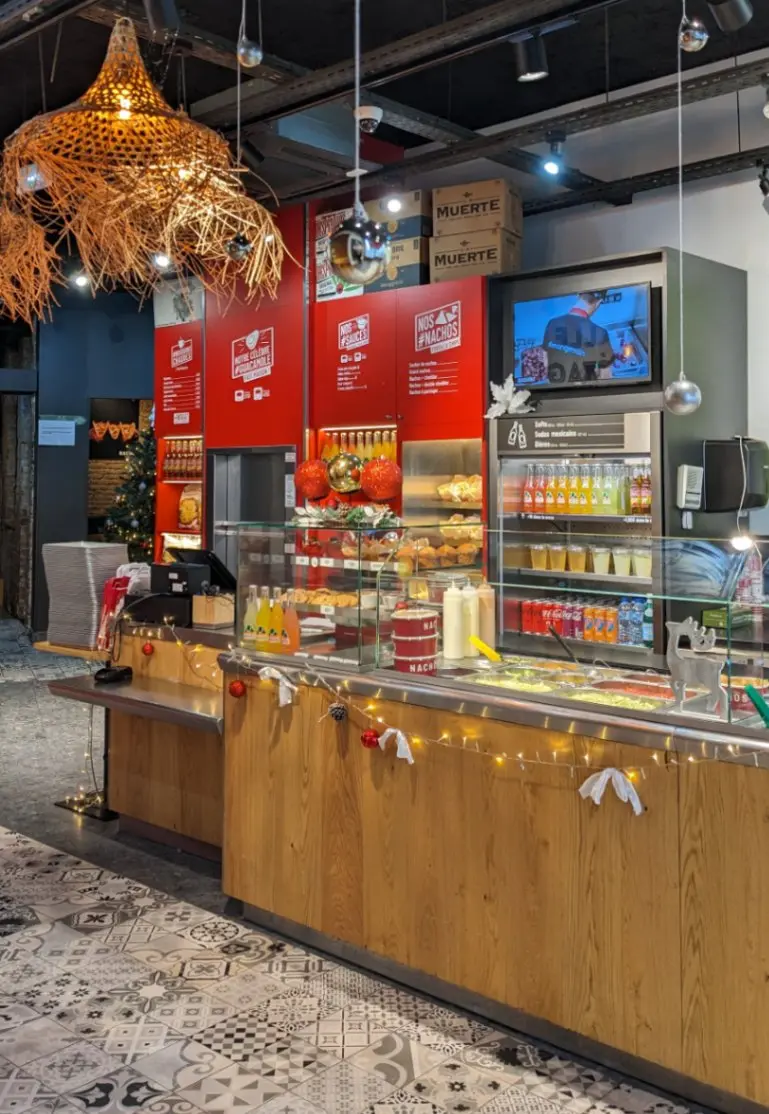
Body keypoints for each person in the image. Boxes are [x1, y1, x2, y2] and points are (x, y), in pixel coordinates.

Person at [541, 291, 615, 383]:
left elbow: (546, 362)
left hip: (555, 388)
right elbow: (606, 378)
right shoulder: (600, 333)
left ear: (578, 296)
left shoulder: (552, 323)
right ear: (599, 302)